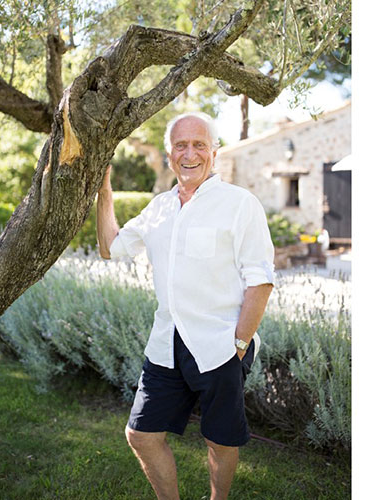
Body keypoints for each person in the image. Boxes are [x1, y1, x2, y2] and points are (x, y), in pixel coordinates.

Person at [97, 112, 276, 500]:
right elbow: (111, 247)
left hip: (221, 343)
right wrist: (104, 190)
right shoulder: (159, 207)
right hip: (166, 343)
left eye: (199, 145)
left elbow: (260, 280)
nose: (190, 153)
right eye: (181, 145)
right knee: (141, 435)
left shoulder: (240, 204)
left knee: (220, 440)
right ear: (169, 153)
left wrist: (240, 343)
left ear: (215, 152)